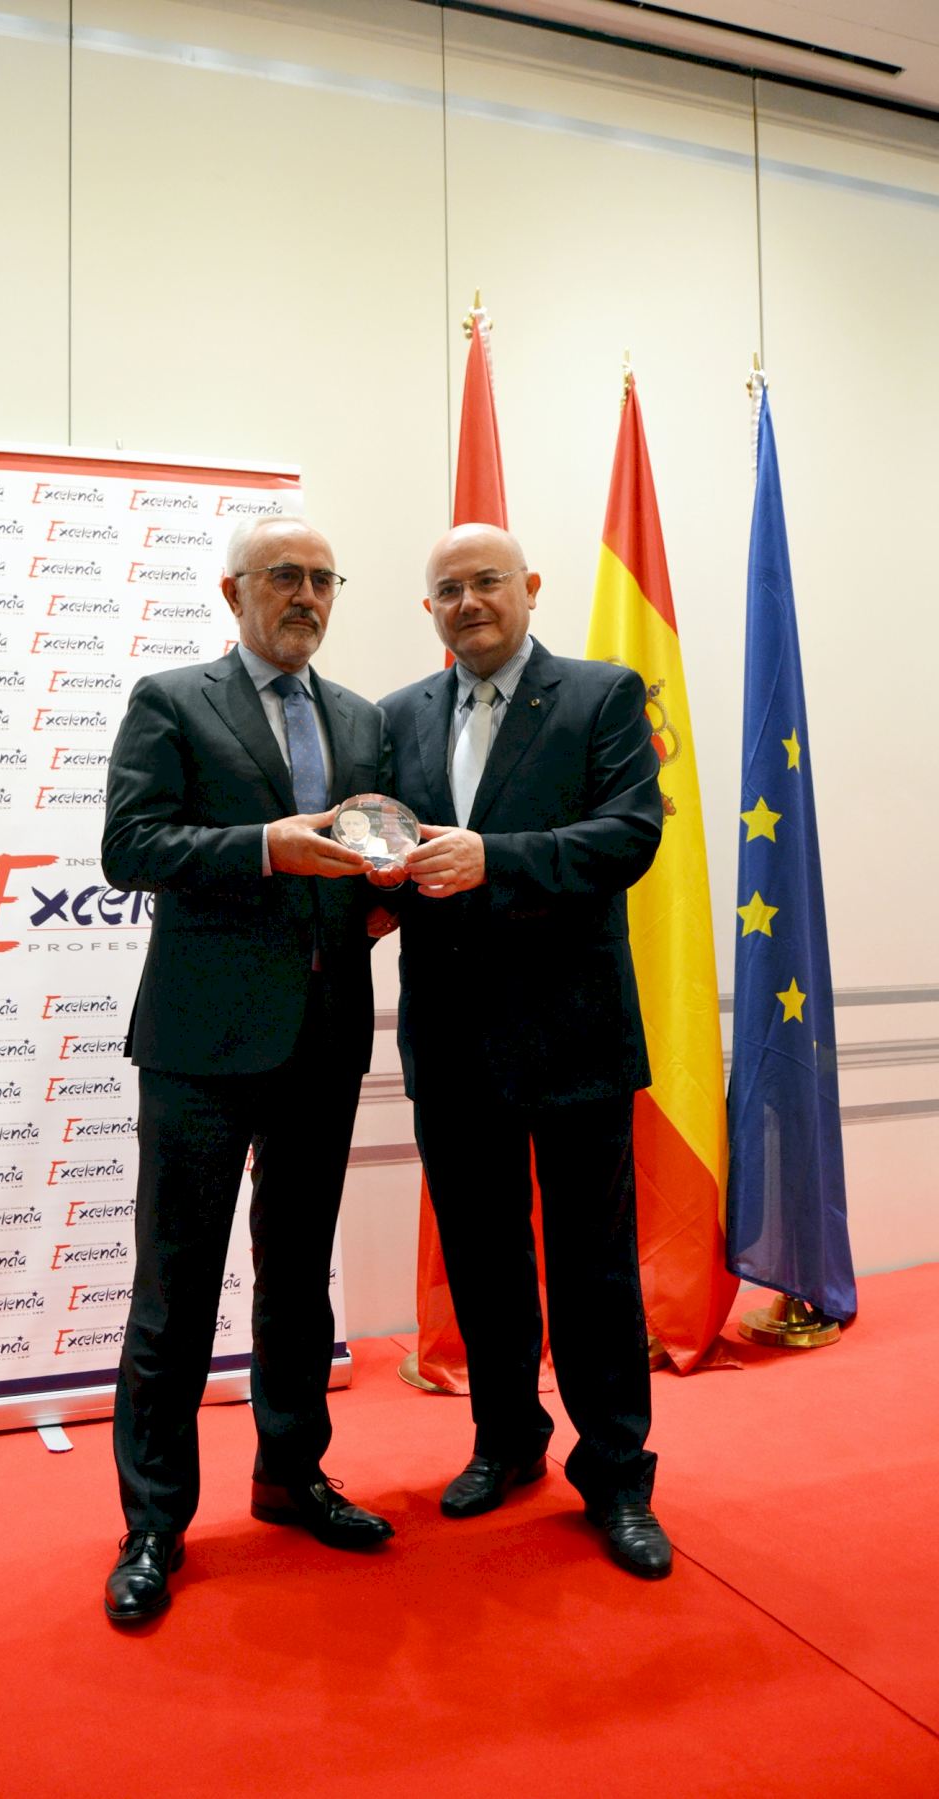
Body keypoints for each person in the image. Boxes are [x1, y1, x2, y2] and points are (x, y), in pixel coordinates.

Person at [101, 515, 395, 1625]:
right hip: (201, 1045)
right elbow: (130, 846)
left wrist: (388, 892)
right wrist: (264, 844)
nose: (306, 595)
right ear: (235, 592)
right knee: (174, 1290)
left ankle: (291, 1475)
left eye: (323, 578)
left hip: (325, 1036)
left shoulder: (362, 718)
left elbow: (375, 851)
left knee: (299, 1277)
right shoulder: (172, 701)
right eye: (284, 575)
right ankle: (153, 1524)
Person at [377, 522, 673, 1579]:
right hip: (451, 1040)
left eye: (487, 581)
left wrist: (492, 858)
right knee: (483, 1260)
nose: (469, 602)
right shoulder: (397, 715)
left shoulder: (602, 694)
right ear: (429, 609)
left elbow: (631, 836)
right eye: (448, 590)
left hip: (574, 1033)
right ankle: (506, 1440)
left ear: (530, 586)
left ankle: (618, 1475)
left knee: (595, 1268)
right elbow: (384, 848)